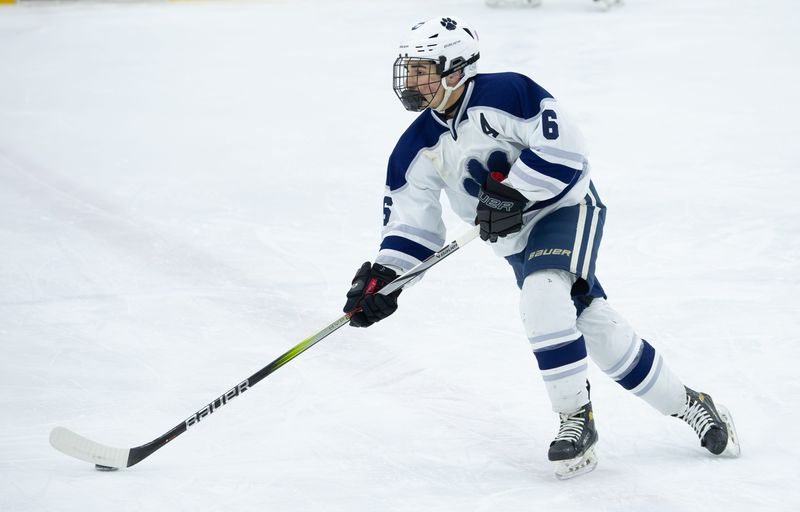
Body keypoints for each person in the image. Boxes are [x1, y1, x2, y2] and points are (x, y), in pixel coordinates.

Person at [342, 16, 740, 479]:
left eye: (421, 69)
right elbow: (414, 226)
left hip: (565, 209)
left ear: (454, 70)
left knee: (542, 296)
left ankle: (575, 417)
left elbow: (567, 149)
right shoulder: (413, 148)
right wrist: (387, 277)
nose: (410, 80)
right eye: (408, 68)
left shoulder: (509, 93)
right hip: (515, 242)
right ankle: (689, 403)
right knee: (598, 328)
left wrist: (515, 190)